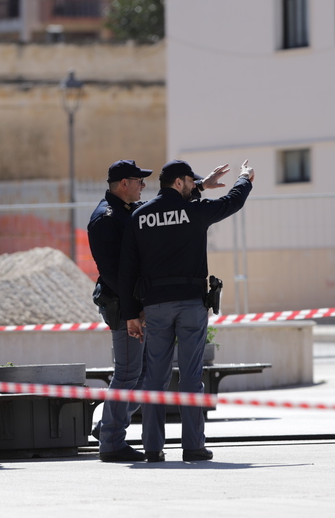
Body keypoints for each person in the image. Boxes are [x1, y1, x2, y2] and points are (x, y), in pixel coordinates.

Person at [88, 159, 231, 462]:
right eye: (138, 181)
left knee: (142, 377)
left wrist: (201, 186)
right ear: (123, 184)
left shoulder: (128, 212)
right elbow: (116, 273)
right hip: (125, 307)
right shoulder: (106, 218)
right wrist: (135, 311)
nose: (143, 186)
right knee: (128, 374)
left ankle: (107, 428)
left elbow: (166, 210)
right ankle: (110, 440)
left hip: (140, 306)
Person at [118, 159, 254, 463]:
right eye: (191, 182)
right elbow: (232, 202)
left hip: (154, 307)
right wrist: (245, 178)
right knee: (191, 377)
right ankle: (193, 446)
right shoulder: (194, 212)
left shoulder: (139, 217)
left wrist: (131, 313)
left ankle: (153, 448)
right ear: (179, 183)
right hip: (191, 304)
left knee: (154, 378)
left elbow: (127, 271)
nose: (195, 187)